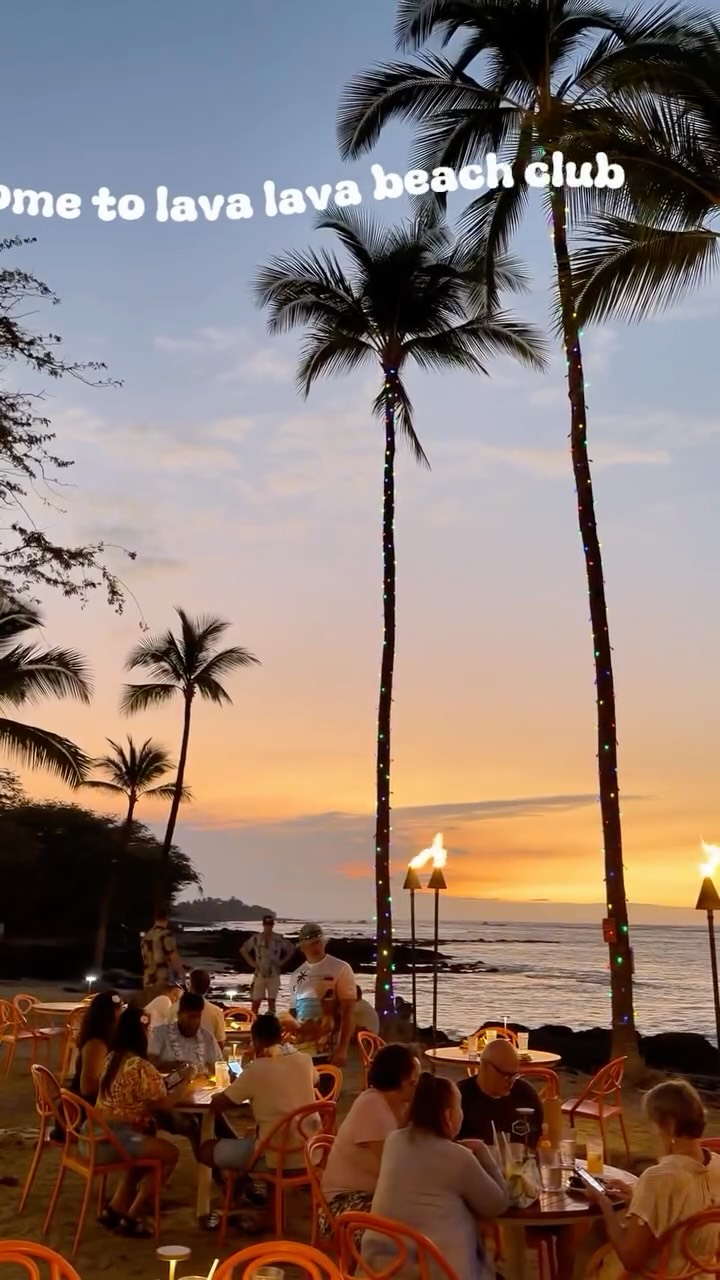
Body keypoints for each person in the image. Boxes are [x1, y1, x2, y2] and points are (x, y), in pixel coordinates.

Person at [363, 1072, 509, 1279]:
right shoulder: (457, 1158)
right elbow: (497, 1204)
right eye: (460, 1107)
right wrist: (483, 1153)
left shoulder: (394, 1141)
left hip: (381, 1267)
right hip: (431, 1270)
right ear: (448, 1115)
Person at [579, 1080, 720, 1280]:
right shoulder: (717, 1165)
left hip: (659, 1275)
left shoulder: (658, 1178)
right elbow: (687, 1209)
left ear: (668, 1125)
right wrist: (637, 1198)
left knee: (589, 1247)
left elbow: (631, 1260)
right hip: (704, 1273)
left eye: (652, 1123)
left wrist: (604, 1205)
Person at [95, 1006, 187, 1237]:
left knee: (148, 1147)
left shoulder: (111, 1058)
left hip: (95, 1133)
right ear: (141, 1032)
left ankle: (116, 1208)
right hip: (117, 1139)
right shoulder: (140, 1066)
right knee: (170, 1154)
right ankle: (133, 1215)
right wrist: (187, 1084)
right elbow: (164, 1104)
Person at [201, 1012, 320, 1177]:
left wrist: (239, 1083)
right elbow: (315, 1081)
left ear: (255, 1041)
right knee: (254, 1134)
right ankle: (255, 1191)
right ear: (280, 1037)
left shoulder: (255, 1069)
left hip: (274, 1156)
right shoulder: (305, 1060)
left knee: (206, 1150)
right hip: (312, 1150)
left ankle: (242, 1188)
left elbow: (218, 1105)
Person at [321, 1043, 419, 1228]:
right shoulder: (371, 1106)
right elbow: (392, 1167)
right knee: (414, 1227)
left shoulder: (402, 1105)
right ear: (400, 1081)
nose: (418, 1087)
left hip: (379, 1196)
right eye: (413, 1082)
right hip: (345, 1203)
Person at [288, 923, 355, 1065]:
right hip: (301, 1049)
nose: (316, 947)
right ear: (303, 947)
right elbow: (294, 1012)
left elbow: (348, 1011)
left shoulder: (340, 968)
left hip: (328, 1049)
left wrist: (343, 1048)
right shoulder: (297, 974)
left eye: (318, 942)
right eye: (311, 944)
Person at [458, 1038, 544, 1146]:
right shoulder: (460, 1098)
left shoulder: (525, 1094)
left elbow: (541, 1137)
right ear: (485, 1067)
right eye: (505, 1075)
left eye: (514, 1075)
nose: (511, 1082)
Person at [147, 991, 220, 1074]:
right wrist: (179, 1066)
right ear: (179, 1015)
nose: (194, 1022)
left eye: (197, 1017)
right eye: (191, 1017)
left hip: (201, 1084)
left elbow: (217, 1066)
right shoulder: (159, 1033)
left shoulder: (207, 1037)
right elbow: (150, 1065)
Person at [240, 915, 295, 1014]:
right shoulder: (256, 938)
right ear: (263, 924)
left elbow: (291, 949)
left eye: (270, 924)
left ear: (273, 925)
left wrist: (282, 961)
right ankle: (254, 1023)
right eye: (266, 924)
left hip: (274, 974)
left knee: (272, 1001)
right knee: (256, 1002)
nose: (268, 926)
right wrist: (252, 962)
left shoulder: (278, 939)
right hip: (260, 973)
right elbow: (244, 950)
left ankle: (271, 1023)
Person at [169, 968, 226, 1045]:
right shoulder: (216, 1012)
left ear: (190, 985)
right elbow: (220, 1042)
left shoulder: (174, 1009)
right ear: (207, 987)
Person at [141, 906, 185, 998]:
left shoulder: (146, 936)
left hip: (148, 980)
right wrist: (182, 974)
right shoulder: (166, 935)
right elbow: (173, 956)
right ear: (167, 918)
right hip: (162, 980)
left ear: (155, 918)